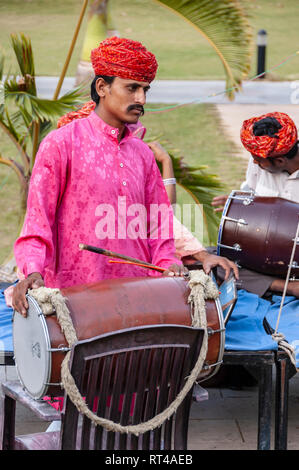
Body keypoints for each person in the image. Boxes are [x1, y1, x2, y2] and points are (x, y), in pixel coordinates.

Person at [11, 37, 187, 318]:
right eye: (132, 88)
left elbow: (159, 224)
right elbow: (37, 220)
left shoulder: (142, 154)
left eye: (145, 90)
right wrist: (32, 270)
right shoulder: (61, 144)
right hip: (75, 302)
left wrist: (168, 262)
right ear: (102, 87)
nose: (141, 99)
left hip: (138, 298)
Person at [211, 111, 299, 298]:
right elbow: (250, 193)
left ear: (280, 160)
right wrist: (238, 205)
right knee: (215, 261)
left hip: (295, 259)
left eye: (258, 160)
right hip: (262, 255)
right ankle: (288, 287)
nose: (254, 162)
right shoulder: (260, 160)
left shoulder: (267, 158)